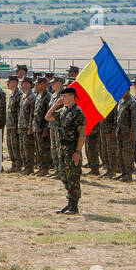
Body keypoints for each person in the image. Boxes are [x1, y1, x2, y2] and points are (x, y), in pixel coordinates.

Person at [46, 86, 86, 214]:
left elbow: (82, 133)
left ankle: (74, 206)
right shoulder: (63, 111)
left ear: (73, 97)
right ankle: (69, 203)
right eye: (62, 96)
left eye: (65, 96)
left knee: (73, 176)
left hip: (72, 148)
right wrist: (57, 104)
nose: (63, 98)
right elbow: (48, 116)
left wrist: (78, 152)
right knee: (64, 175)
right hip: (62, 148)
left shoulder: (78, 112)